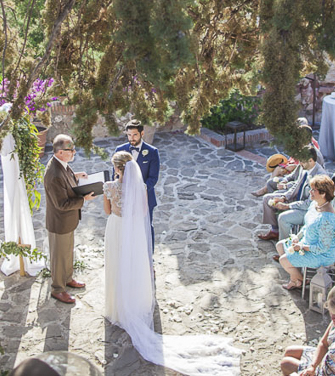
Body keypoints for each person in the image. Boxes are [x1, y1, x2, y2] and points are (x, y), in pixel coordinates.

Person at [103, 152, 242, 375]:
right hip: (133, 232)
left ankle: (118, 308)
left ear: (117, 168)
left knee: (117, 266)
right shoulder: (139, 189)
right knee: (131, 266)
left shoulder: (109, 187)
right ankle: (135, 303)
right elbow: (142, 214)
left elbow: (108, 211)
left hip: (115, 228)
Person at [44, 134, 97, 304]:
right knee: (59, 257)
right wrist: (83, 200)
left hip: (67, 221)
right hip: (59, 222)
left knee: (67, 253)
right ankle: (57, 289)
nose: (74, 152)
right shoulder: (54, 174)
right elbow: (61, 204)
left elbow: (66, 183)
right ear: (60, 152)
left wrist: (76, 177)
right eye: (70, 150)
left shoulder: (62, 165)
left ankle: (67, 279)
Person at [281, 284, 335, 376]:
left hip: (328, 372)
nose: (332, 317)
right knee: (289, 351)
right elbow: (323, 343)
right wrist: (313, 366)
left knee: (285, 364)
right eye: (331, 311)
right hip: (326, 359)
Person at [275, 175, 335, 290]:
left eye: (313, 190)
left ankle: (299, 280)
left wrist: (302, 246)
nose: (310, 192)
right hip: (307, 242)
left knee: (283, 260)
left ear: (323, 194)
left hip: (321, 254)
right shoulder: (314, 205)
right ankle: (297, 279)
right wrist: (297, 237)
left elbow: (323, 247)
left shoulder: (327, 218)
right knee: (280, 245)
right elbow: (306, 226)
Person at [259, 152, 326, 241]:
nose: (299, 164)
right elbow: (296, 185)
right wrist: (284, 197)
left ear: (310, 160)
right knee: (267, 199)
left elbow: (309, 204)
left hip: (307, 209)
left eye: (302, 162)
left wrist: (288, 206)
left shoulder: (319, 176)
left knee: (283, 218)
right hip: (296, 198)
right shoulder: (305, 167)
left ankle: (285, 249)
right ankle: (275, 231)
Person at [114, 119, 160, 244]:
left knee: (146, 227)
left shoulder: (152, 152)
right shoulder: (120, 149)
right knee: (127, 227)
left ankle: (148, 257)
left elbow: (153, 178)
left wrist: (141, 189)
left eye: (134, 134)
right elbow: (116, 174)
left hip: (144, 197)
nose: (131, 138)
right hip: (125, 196)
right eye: (129, 135)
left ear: (142, 133)